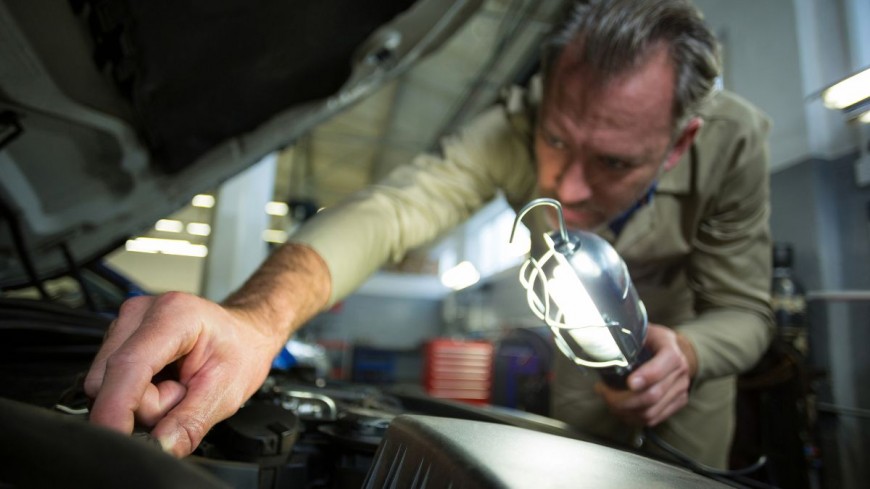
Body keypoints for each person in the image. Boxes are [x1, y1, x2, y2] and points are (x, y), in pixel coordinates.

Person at [84, 0, 773, 469]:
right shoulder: (512, 125)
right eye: (557, 140)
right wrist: (255, 320)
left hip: (687, 368)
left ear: (681, 143)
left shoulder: (734, 145)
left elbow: (746, 311)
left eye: (614, 163)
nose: (565, 189)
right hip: (582, 358)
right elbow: (392, 212)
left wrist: (689, 351)